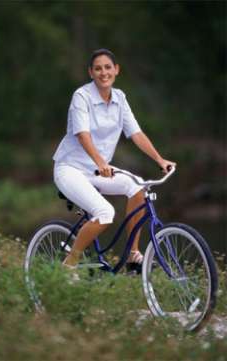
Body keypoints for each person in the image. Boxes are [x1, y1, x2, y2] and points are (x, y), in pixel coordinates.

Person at [53, 48, 176, 271]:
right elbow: (83, 134)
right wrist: (100, 162)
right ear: (91, 72)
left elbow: (136, 133)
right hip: (70, 169)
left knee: (137, 187)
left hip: (99, 171)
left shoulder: (120, 98)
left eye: (108, 67)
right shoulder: (82, 96)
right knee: (106, 213)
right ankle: (69, 264)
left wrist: (159, 159)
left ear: (116, 70)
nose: (103, 72)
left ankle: (133, 254)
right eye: (98, 68)